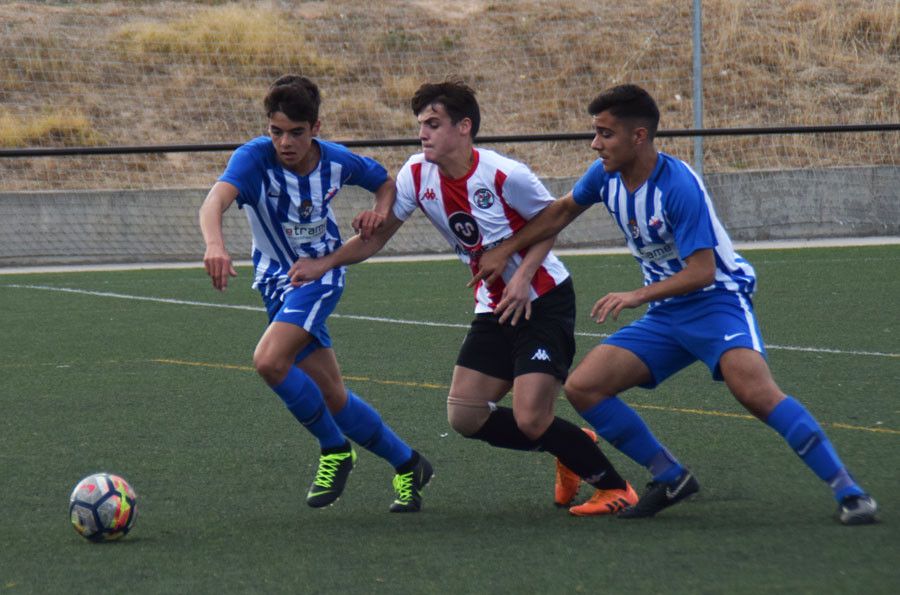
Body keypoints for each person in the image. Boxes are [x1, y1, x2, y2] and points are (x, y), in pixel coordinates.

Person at [470, 83, 878, 525]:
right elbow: (561, 211)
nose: (595, 143)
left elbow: (703, 270)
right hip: (667, 314)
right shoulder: (604, 176)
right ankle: (670, 476)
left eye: (605, 134)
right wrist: (506, 248)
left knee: (756, 393)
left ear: (638, 137)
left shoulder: (678, 185)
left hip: (716, 301)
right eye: (596, 132)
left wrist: (635, 295)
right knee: (585, 387)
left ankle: (850, 492)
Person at [290, 79, 636, 516]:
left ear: (464, 127)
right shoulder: (416, 173)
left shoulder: (505, 174)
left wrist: (522, 274)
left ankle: (615, 487)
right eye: (421, 124)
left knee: (531, 416)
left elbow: (552, 220)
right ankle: (569, 444)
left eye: (433, 124)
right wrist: (326, 263)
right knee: (466, 416)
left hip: (543, 299)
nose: (423, 133)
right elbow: (375, 239)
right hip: (492, 306)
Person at [199, 74, 432, 513]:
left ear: (316, 128)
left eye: (296, 132)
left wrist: (379, 212)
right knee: (333, 396)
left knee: (269, 361)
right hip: (274, 282)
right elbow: (213, 203)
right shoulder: (253, 159)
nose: (285, 142)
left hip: (319, 276)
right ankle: (409, 464)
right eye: (276, 131)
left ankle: (335, 449)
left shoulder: (337, 161)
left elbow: (386, 182)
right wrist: (215, 243)